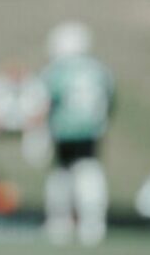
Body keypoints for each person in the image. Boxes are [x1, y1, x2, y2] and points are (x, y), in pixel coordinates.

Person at [40, 21, 115, 246]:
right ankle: (92, 223)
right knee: (88, 171)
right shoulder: (100, 69)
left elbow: (45, 101)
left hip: (64, 130)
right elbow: (110, 99)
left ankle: (60, 222)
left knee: (64, 173)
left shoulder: (56, 70)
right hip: (92, 129)